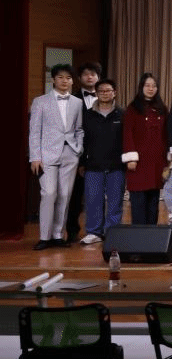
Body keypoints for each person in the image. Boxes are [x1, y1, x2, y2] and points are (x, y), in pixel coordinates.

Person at [28, 63, 83, 249]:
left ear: (72, 81)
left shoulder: (77, 103)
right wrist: (35, 157)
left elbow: (79, 129)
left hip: (70, 153)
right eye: (60, 77)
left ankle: (58, 235)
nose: (64, 81)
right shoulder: (40, 101)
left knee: (64, 195)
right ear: (53, 79)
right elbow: (34, 132)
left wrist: (79, 148)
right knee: (49, 193)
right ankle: (44, 237)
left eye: (68, 78)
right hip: (46, 155)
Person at [79, 76, 124, 246]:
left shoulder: (122, 114)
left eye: (108, 90)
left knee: (115, 200)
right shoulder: (88, 115)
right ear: (96, 93)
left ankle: (112, 231)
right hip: (93, 165)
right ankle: (94, 232)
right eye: (101, 91)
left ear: (114, 93)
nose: (105, 93)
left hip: (117, 165)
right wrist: (82, 162)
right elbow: (83, 140)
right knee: (93, 200)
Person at [122, 72, 167, 226]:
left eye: (154, 86)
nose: (151, 88)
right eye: (147, 85)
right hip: (138, 163)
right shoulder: (133, 108)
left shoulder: (162, 108)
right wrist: (130, 157)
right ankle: (138, 235)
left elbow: (166, 134)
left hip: (157, 162)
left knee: (154, 201)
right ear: (141, 87)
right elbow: (127, 134)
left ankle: (151, 235)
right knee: (138, 201)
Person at [63, 61, 101, 242]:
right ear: (79, 78)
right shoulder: (72, 100)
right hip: (76, 153)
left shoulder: (106, 97)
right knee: (74, 196)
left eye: (93, 74)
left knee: (98, 195)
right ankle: (71, 231)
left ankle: (97, 231)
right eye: (86, 74)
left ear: (98, 77)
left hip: (99, 153)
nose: (89, 77)